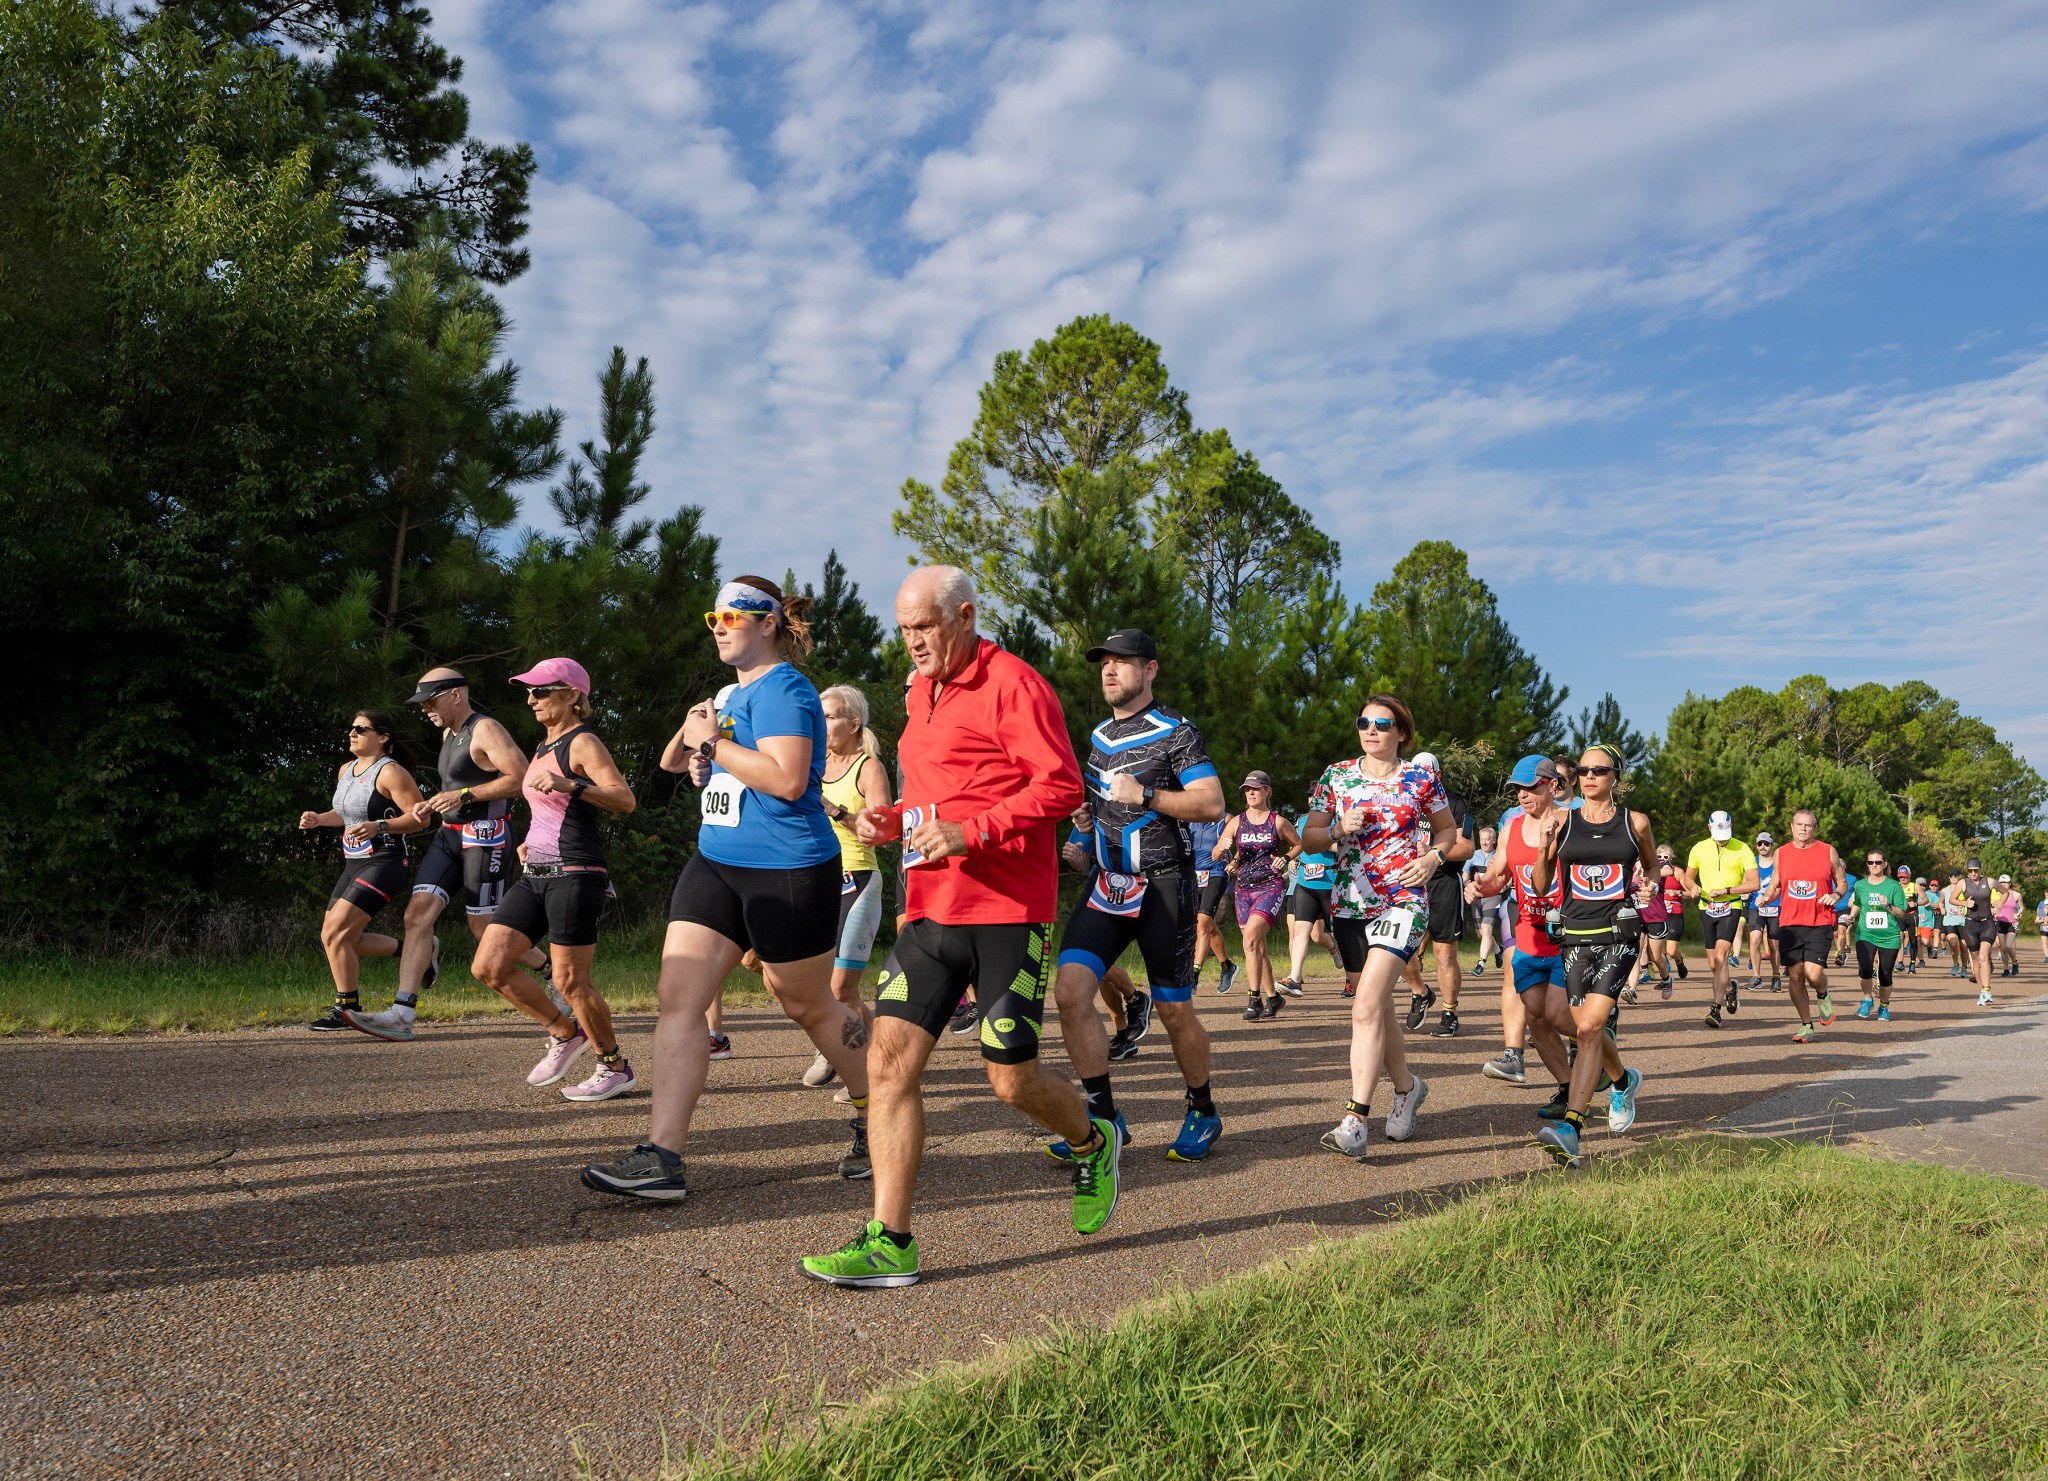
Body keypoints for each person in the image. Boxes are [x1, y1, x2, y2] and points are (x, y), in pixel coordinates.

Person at [798, 567, 1110, 1289]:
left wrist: (973, 832)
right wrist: (895, 817)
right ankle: (891, 1240)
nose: (912, 642)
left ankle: (1093, 1141)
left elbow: (1061, 785)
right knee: (887, 1063)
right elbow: (938, 790)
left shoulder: (1016, 684)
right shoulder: (919, 691)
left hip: (1006, 910)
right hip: (932, 909)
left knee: (1012, 1082)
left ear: (965, 616)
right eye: (904, 629)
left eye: (925, 627)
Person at [583, 578, 874, 1202]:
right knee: (678, 998)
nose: (718, 625)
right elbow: (694, 768)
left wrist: (713, 743)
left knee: (806, 1004)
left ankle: (878, 1110)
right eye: (712, 615)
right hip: (716, 860)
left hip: (788, 869)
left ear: (767, 624)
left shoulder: (788, 689)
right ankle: (663, 1157)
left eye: (732, 615)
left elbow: (791, 781)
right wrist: (701, 752)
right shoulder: (727, 692)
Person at [1046, 628, 1228, 1165]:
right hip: (1107, 885)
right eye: (1104, 662)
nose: (1109, 671)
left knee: (1175, 1013)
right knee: (1070, 991)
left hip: (1165, 888)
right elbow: (1097, 805)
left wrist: (1146, 793)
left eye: (1122, 662)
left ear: (1149, 670)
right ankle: (1103, 1116)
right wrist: (1082, 834)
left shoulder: (1178, 733)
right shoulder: (1100, 736)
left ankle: (1202, 1109)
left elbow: (1213, 803)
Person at [467, 660, 639, 1097]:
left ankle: (614, 1066)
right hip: (536, 871)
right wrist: (526, 841)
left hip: (576, 872)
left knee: (570, 981)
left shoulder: (583, 742)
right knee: (488, 966)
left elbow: (624, 799)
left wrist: (570, 785)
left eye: (541, 691)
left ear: (572, 696)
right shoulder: (542, 746)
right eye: (529, 692)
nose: (531, 700)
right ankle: (565, 1033)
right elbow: (545, 811)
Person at [1302, 694, 1462, 1161]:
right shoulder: (1337, 775)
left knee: (1367, 1004)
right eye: (1364, 722)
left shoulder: (1420, 777)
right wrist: (1335, 830)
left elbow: (1448, 832)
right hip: (1351, 904)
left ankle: (1355, 1119)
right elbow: (1310, 835)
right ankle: (1409, 1088)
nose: (1371, 730)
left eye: (1382, 724)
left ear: (1402, 733)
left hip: (1404, 902)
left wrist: (1434, 857)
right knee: (1378, 1011)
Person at [398, 669, 554, 1023]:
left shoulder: (485, 729)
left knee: (484, 929)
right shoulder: (447, 733)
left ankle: (552, 973)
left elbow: (520, 779)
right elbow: (453, 785)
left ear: (456, 695)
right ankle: (402, 1012)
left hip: (486, 835)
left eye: (430, 701)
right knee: (416, 914)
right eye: (421, 705)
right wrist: (432, 802)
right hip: (449, 834)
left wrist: (463, 795)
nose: (425, 710)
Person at [1528, 745, 1651, 1166]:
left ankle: (1572, 1127)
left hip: (1618, 934)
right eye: (1583, 770)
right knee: (1582, 1026)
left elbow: (1652, 867)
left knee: (1589, 1029)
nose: (1590, 776)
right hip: (1575, 935)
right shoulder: (1561, 822)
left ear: (1616, 775)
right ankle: (1622, 1080)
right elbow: (1543, 886)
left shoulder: (1635, 823)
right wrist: (1544, 849)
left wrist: (1648, 885)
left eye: (1599, 770)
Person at [304, 711, 427, 1032]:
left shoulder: (391, 773)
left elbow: (421, 819)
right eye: (351, 728)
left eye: (361, 729)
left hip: (386, 860)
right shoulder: (346, 769)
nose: (352, 733)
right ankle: (415, 951)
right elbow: (346, 814)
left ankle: (346, 1008)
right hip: (354, 861)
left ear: (383, 737)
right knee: (337, 938)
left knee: (337, 933)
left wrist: (380, 826)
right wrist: (320, 818)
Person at [801, 684, 895, 1088]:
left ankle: (865, 1065)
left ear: (853, 723)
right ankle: (860, 1049)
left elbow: (885, 833)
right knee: (806, 982)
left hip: (857, 877)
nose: (821, 724)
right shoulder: (808, 763)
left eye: (830, 716)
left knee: (841, 987)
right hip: (812, 877)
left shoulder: (867, 767)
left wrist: (834, 809)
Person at [1469, 755, 1577, 1095]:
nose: (1523, 795)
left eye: (1531, 787)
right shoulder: (1511, 827)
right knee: (1536, 1018)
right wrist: (1478, 886)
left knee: (1560, 1016)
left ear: (1552, 786)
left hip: (1569, 932)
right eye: (1518, 789)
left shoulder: (1573, 823)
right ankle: (1569, 1090)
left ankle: (1610, 1059)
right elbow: (1498, 876)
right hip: (1530, 931)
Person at [1756, 808, 1847, 1041]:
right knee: (1795, 975)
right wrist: (1766, 896)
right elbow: (1775, 884)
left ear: (1814, 828)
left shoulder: (1828, 851)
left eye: (1808, 825)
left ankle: (1823, 992)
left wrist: (1836, 896)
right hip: (1790, 922)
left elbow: (1842, 882)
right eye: (1799, 825)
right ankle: (1806, 1024)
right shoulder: (1782, 853)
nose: (1803, 829)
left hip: (1819, 921)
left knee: (1813, 974)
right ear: (1792, 827)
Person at [1402, 752, 1475, 1037]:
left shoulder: (1455, 804)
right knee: (1400, 949)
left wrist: (1433, 853)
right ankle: (1420, 992)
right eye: (1415, 772)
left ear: (1438, 775)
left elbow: (1467, 848)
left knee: (1444, 953)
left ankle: (1449, 1012)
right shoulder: (1401, 801)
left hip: (1444, 881)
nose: (1420, 777)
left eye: (1426, 772)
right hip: (1407, 882)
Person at [1216, 772, 1298, 1019]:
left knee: (1250, 941)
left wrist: (1285, 859)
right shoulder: (1237, 822)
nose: (1251, 793)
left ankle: (1255, 1000)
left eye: (1256, 789)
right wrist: (1225, 854)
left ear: (1267, 792)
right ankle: (1273, 998)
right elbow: (1217, 854)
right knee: (1257, 948)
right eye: (1247, 790)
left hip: (1269, 886)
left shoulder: (1278, 822)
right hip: (1243, 889)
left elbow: (1299, 844)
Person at [1682, 810, 1759, 1028]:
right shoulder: (1699, 848)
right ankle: (1729, 988)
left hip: (1731, 906)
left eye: (1725, 832)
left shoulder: (1742, 848)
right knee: (1713, 964)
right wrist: (1693, 887)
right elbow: (1688, 877)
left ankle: (1715, 1010)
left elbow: (1755, 883)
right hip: (1706, 907)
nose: (1722, 837)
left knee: (1721, 955)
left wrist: (1727, 889)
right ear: (1709, 828)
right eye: (1718, 833)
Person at [1850, 849, 1908, 1021]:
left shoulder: (1893, 886)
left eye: (1877, 862)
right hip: (1865, 933)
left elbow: (1901, 913)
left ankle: (1883, 1006)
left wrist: (1888, 905)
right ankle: (1867, 999)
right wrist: (1851, 916)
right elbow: (1858, 904)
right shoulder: (1860, 885)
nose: (1874, 866)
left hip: (1888, 935)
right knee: (1865, 969)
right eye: (1870, 862)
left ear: (1884, 864)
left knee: (1885, 974)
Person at [1278, 837, 1338, 998]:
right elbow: (1297, 846)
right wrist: (1288, 858)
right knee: (1300, 930)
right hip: (1305, 884)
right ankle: (1295, 978)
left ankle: (1353, 977)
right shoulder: (1302, 821)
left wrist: (1320, 842)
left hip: (1332, 882)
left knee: (1340, 934)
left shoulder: (1340, 816)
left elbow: (1347, 848)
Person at [1188, 813, 1238, 995]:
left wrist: (1234, 861)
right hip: (1194, 875)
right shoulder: (1189, 818)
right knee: (1207, 926)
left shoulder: (1225, 820)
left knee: (1202, 924)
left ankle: (1193, 977)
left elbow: (1243, 846)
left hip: (1217, 873)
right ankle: (1227, 966)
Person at [1743, 831, 1782, 992]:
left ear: (1772, 845)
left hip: (1775, 906)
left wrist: (1769, 898)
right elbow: (1745, 882)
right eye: (1760, 844)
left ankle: (1776, 976)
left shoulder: (1778, 863)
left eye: (1766, 844)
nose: (1763, 847)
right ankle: (1756, 976)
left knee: (1774, 945)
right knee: (1755, 938)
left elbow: (1780, 886)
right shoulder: (1752, 863)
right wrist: (1744, 893)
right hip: (1755, 907)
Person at [1957, 859, 1998, 1005]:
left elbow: (2005, 893)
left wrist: (1999, 904)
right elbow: (1952, 899)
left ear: (1980, 869)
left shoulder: (1990, 881)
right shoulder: (1963, 883)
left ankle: (1987, 990)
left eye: (1976, 870)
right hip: (1970, 925)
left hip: (1987, 923)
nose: (1973, 873)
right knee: (1975, 960)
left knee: (1983, 955)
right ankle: (1982, 991)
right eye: (1970, 871)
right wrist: (1964, 903)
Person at [1467, 826, 1501, 973]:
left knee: (1486, 930)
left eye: (1488, 839)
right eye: (1482, 840)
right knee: (1480, 933)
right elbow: (1464, 875)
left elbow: (1507, 878)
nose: (1485, 843)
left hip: (1493, 897)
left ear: (1494, 839)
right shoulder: (1472, 856)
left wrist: (1501, 887)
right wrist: (1468, 886)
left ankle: (1480, 965)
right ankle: (1498, 951)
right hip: (1476, 898)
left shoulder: (1500, 856)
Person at [1939, 870, 1968, 975]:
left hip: (1963, 921)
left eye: (1956, 876)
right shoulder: (1944, 891)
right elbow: (1940, 902)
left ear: (1959, 877)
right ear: (1949, 878)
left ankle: (1964, 968)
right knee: (1953, 943)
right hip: (1949, 921)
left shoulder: (1965, 889)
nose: (1954, 878)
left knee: (1964, 946)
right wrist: (1942, 908)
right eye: (1951, 876)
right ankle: (1956, 964)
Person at [1994, 874, 2022, 977]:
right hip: (2000, 922)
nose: (2003, 884)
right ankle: (2006, 969)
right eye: (2001, 882)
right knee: (2002, 947)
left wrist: (2018, 914)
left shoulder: (2016, 895)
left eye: (2005, 882)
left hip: (2011, 923)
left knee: (2009, 946)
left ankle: (2015, 962)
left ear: (2010, 884)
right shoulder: (1996, 895)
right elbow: (1991, 905)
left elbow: (2022, 908)